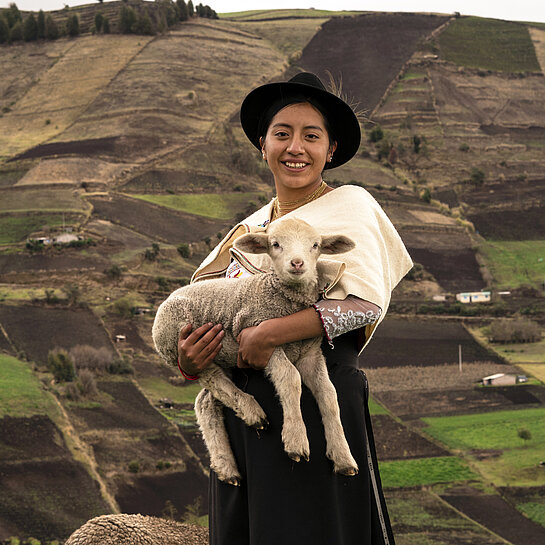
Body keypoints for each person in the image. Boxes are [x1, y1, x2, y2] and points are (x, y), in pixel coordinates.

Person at [175, 72, 413, 545]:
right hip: (244, 415)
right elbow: (204, 310)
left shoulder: (351, 208)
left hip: (316, 395)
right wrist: (189, 360)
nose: (295, 147)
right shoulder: (251, 229)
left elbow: (363, 305)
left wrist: (270, 334)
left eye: (311, 135)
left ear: (332, 149)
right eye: (282, 134)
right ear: (262, 145)